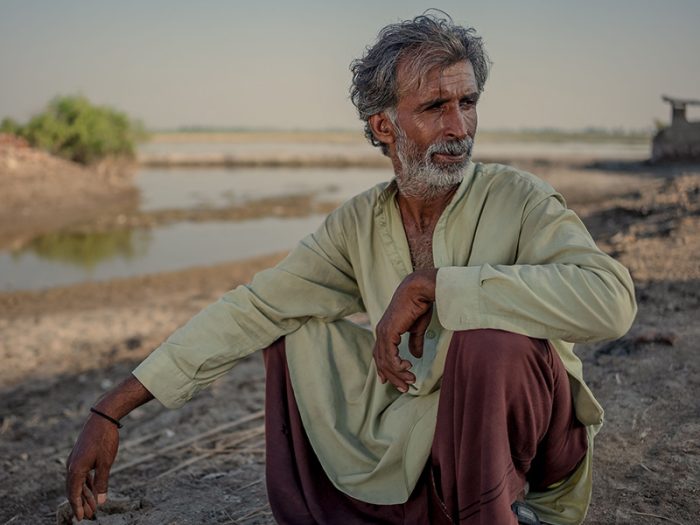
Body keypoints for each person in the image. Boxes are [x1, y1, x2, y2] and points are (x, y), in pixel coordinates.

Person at [65, 12, 636, 525]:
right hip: (430, 435)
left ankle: (506, 513)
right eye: (435, 107)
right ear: (384, 126)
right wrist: (110, 411)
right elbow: (254, 308)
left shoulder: (522, 199)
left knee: (487, 342)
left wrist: (439, 285)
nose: (460, 127)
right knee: (292, 332)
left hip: (536, 452)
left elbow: (610, 300)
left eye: (468, 102)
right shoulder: (358, 224)